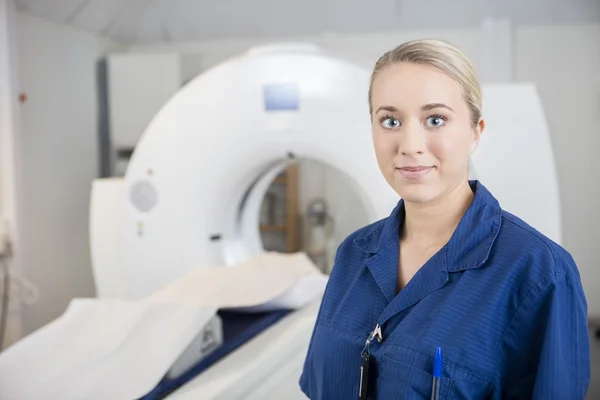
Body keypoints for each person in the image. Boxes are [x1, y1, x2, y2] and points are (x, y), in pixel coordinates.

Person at [299, 39, 590, 399]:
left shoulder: (540, 272)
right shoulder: (353, 254)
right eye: (390, 121)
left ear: (475, 133)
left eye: (435, 119)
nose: (410, 144)